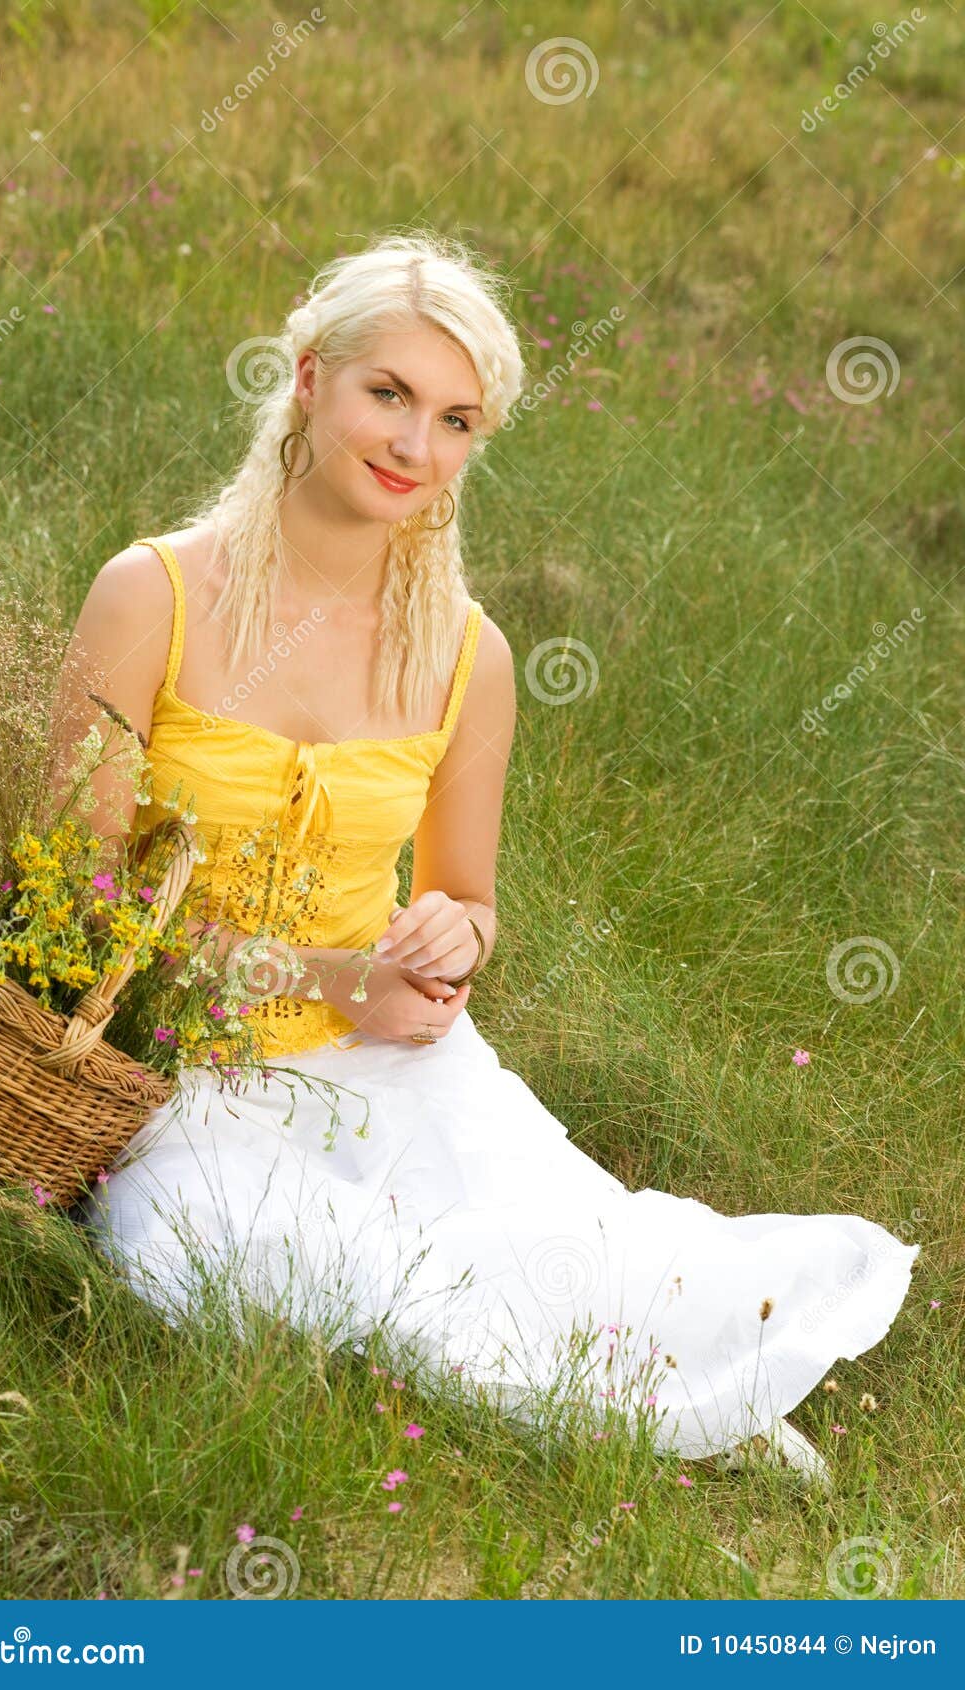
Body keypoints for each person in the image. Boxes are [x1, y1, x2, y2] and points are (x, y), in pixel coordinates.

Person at [66, 232, 917, 1490]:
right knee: (236, 1257)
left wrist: (451, 943)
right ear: (307, 378)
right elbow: (81, 922)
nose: (416, 446)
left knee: (575, 1238)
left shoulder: (470, 653)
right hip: (171, 1074)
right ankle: (632, 1409)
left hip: (386, 1057)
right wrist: (333, 972)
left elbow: (468, 899)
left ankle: (675, 1383)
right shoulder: (154, 597)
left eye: (456, 418)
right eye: (388, 395)